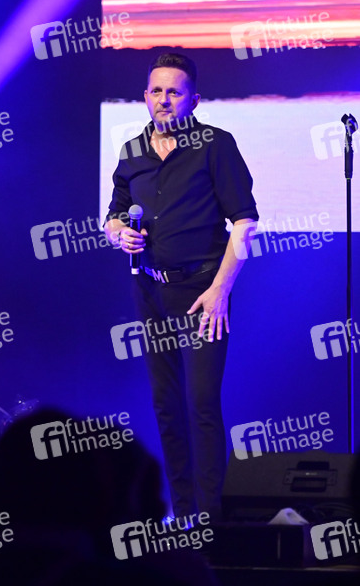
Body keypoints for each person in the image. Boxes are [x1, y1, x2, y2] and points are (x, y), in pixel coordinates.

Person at [104, 53, 258, 520]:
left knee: (201, 404)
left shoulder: (215, 145)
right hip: (150, 291)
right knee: (166, 406)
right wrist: (118, 233)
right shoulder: (132, 151)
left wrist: (220, 291)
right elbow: (113, 215)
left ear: (193, 99)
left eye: (174, 91)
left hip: (202, 294)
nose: (164, 99)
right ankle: (183, 513)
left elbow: (245, 223)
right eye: (156, 91)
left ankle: (210, 519)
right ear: (145, 96)